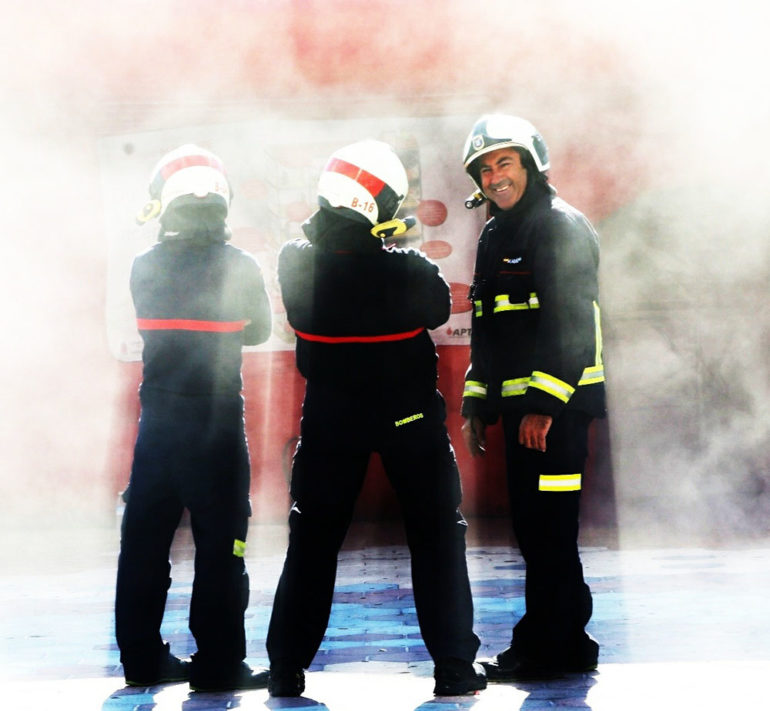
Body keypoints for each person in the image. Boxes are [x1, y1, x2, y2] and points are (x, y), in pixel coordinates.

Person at [266, 139, 486, 697]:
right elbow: (439, 308)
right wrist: (398, 243)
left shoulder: (295, 261)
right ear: (378, 206)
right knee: (437, 535)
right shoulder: (408, 268)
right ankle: (455, 669)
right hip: (408, 419)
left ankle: (287, 670)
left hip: (330, 421)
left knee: (312, 540)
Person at [115, 144, 272, 692]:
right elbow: (260, 332)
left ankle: (139, 660)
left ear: (165, 204)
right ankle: (219, 664)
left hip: (157, 426)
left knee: (144, 544)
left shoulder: (144, 266)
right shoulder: (241, 266)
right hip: (217, 427)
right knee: (222, 546)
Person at [459, 115, 606, 680]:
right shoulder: (498, 232)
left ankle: (553, 645)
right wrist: (477, 403)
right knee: (536, 528)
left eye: (505, 162)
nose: (495, 176)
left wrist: (545, 404)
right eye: (485, 167)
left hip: (557, 416)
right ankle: (561, 640)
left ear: (532, 165)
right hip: (525, 415)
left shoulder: (559, 226)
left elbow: (574, 322)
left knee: (549, 527)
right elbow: (489, 326)